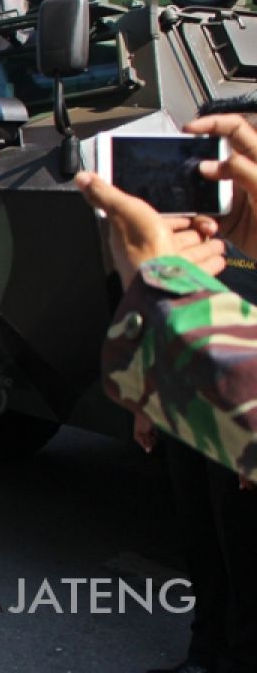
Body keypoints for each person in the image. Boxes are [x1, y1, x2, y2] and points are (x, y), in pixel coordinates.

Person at [80, 106, 257, 673]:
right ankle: (205, 652)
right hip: (195, 404)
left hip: (239, 412)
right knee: (202, 541)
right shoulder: (204, 232)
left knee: (244, 551)